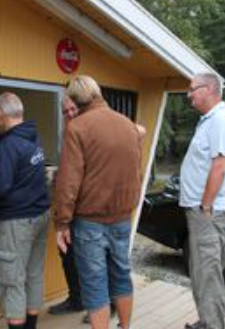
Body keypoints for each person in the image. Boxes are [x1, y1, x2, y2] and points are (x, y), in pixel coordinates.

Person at [54, 76, 143, 329]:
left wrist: (62, 223)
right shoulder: (127, 124)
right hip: (122, 218)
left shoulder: (77, 128)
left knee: (94, 285)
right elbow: (135, 171)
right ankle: (125, 326)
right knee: (121, 276)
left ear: (75, 98)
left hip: (90, 221)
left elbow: (68, 181)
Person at [0, 92, 51, 329]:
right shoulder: (32, 136)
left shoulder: (8, 145)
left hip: (18, 221)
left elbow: (0, 186)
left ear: (1, 114)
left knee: (11, 280)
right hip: (40, 215)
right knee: (33, 275)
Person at [179, 73, 225, 329]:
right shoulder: (209, 121)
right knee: (200, 272)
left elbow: (219, 167)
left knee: (208, 273)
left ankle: (213, 325)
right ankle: (206, 321)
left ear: (209, 89)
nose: (189, 94)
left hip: (208, 211)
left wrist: (205, 205)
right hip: (201, 210)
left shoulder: (221, 120)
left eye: (192, 89)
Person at [48, 96, 84, 315]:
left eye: (73, 109)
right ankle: (76, 299)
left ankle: (106, 305)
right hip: (68, 206)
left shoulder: (88, 132)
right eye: (65, 111)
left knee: (92, 258)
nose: (70, 114)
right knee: (67, 253)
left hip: (85, 206)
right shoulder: (66, 134)